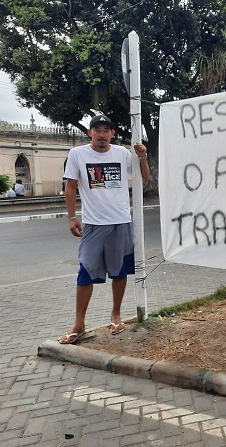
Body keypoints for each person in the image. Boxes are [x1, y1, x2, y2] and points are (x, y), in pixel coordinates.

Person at [59, 114, 150, 345]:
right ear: (90, 132)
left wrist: (142, 157)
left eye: (106, 130)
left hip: (120, 222)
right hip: (93, 224)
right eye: (97, 129)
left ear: (112, 134)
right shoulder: (77, 154)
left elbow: (144, 179)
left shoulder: (122, 153)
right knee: (85, 272)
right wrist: (72, 217)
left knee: (119, 272)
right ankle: (79, 324)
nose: (101, 134)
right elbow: (70, 186)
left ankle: (116, 315)